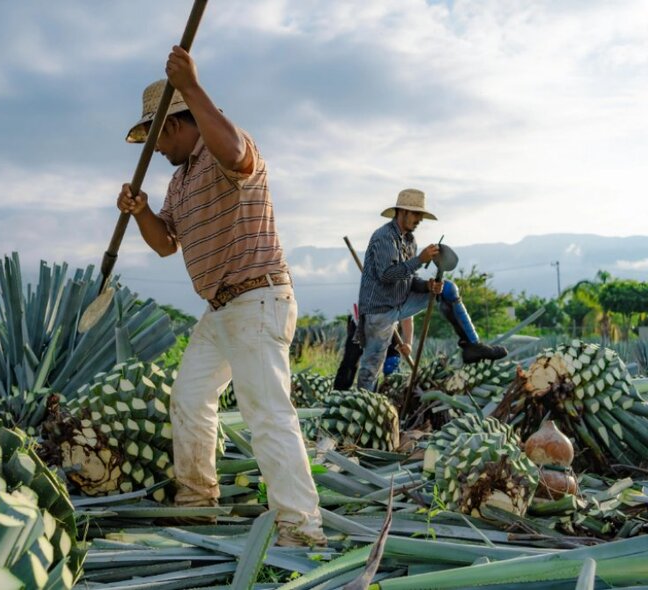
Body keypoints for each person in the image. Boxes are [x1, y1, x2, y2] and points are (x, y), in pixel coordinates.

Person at [117, 46, 326, 547]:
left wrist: (190, 85)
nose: (156, 148)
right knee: (189, 398)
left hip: (257, 299)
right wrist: (141, 211)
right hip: (220, 309)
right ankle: (197, 504)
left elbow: (235, 151)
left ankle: (302, 530)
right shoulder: (178, 180)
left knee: (266, 413)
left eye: (156, 136)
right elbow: (167, 244)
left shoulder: (224, 149)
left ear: (173, 125)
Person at [356, 189, 507, 392]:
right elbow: (387, 276)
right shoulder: (384, 237)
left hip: (401, 301)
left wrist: (427, 286)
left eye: (421, 216)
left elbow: (408, 279)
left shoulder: (409, 240)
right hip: (380, 309)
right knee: (371, 367)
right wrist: (420, 260)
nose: (419, 220)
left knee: (447, 289)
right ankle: (363, 405)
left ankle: (472, 345)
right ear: (402, 212)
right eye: (416, 214)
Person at [333, 309, 412, 390]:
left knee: (390, 364)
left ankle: (391, 396)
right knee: (350, 361)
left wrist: (408, 343)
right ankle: (338, 395)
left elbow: (408, 315)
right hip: (361, 322)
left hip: (389, 325)